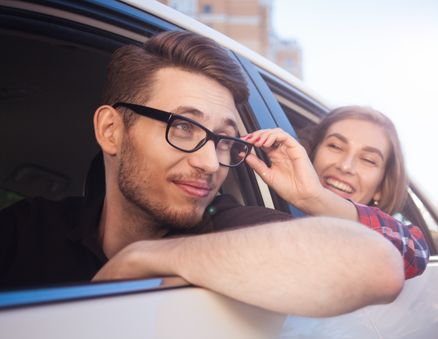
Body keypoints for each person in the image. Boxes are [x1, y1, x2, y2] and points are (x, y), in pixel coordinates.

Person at [0, 31, 405, 317]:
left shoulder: (223, 226)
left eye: (224, 139)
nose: (211, 163)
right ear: (111, 131)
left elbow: (378, 265)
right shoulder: (28, 228)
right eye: (183, 127)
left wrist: (145, 258)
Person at [242, 106, 429, 279]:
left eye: (368, 159)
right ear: (311, 154)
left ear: (381, 187)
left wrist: (315, 200)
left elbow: (416, 252)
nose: (346, 166)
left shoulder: (375, 245)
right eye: (335, 147)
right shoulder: (261, 208)